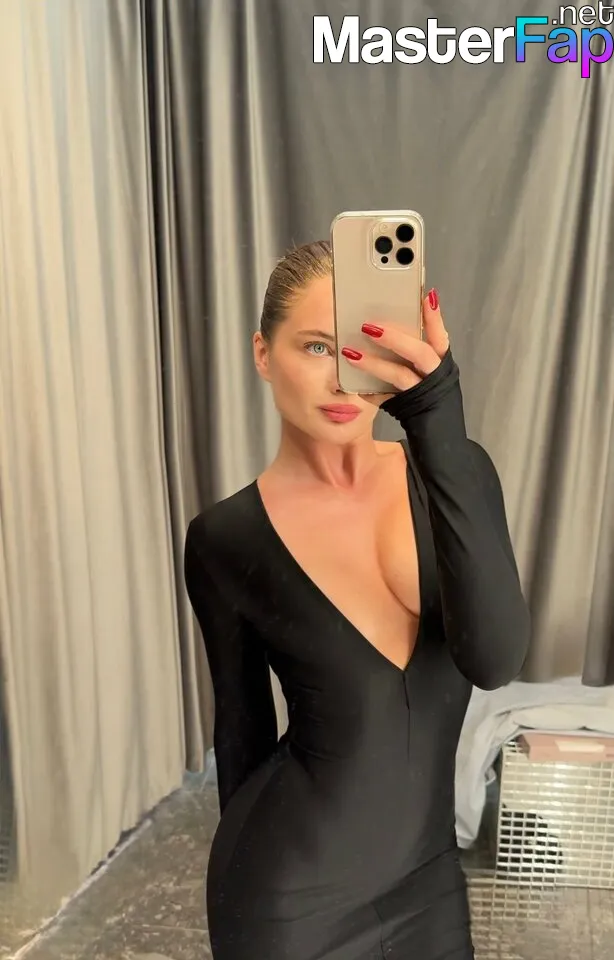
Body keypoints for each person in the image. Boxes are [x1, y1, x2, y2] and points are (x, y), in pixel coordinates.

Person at [184, 240, 531, 960]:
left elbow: (494, 657)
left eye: (362, 346)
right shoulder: (225, 537)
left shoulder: (457, 474)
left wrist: (437, 412)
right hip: (287, 898)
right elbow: (241, 727)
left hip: (428, 881)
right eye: (317, 346)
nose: (344, 375)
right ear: (262, 353)